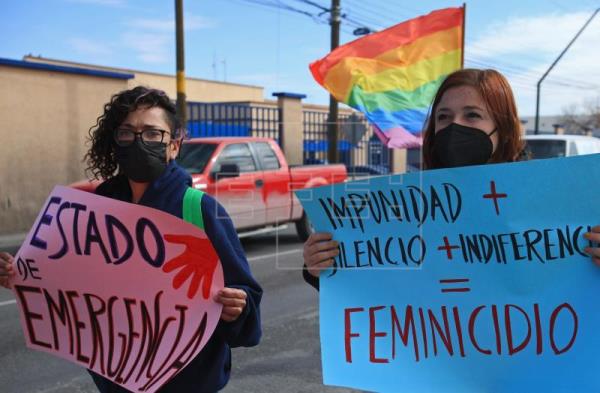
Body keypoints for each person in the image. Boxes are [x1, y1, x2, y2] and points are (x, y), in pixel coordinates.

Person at [0, 86, 262, 392]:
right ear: (116, 141)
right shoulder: (96, 208)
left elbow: (246, 300)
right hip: (115, 380)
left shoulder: (199, 209)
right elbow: (71, 277)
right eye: (128, 133)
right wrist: (21, 274)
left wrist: (238, 308)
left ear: (174, 145)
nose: (140, 142)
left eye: (152, 133)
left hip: (190, 383)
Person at [301, 68, 600, 289]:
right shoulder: (405, 206)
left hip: (529, 367)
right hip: (434, 369)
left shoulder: (553, 203)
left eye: (472, 115)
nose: (454, 127)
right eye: (444, 116)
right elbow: (379, 292)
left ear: (504, 128)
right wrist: (320, 268)